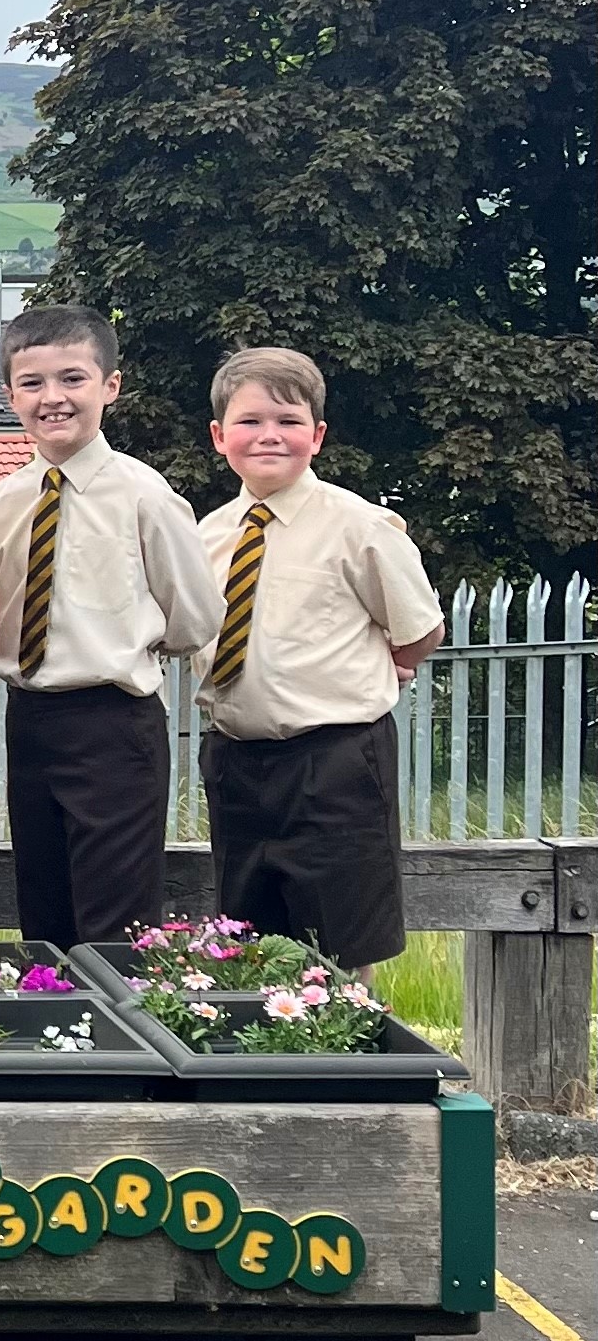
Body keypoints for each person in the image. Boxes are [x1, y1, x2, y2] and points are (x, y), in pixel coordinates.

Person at [195, 347, 442, 969]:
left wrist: (371, 668)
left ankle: (349, 1060)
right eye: (250, 422)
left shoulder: (360, 527)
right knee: (249, 946)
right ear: (220, 436)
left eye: (288, 420)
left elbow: (417, 631)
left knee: (340, 944)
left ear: (318, 435)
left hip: (334, 761)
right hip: (237, 760)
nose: (269, 435)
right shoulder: (208, 536)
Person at [0, 305, 225, 946]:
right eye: (31, 383)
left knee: (116, 919)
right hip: (29, 718)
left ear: (110, 387)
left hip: (112, 723)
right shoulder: (4, 502)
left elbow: (196, 615)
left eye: (73, 379)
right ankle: (54, 1035)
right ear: (9, 394)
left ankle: (117, 1043)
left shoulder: (145, 496)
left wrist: (126, 644)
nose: (52, 398)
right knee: (43, 906)